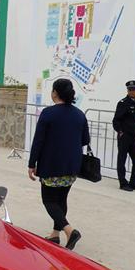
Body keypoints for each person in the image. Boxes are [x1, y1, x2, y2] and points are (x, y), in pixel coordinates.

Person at [28, 78, 89, 250]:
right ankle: (55, 235)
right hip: (72, 166)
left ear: (55, 92)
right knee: (62, 199)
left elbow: (38, 141)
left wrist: (32, 163)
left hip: (51, 165)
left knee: (49, 200)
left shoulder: (48, 113)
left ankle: (70, 231)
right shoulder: (79, 114)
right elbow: (85, 140)